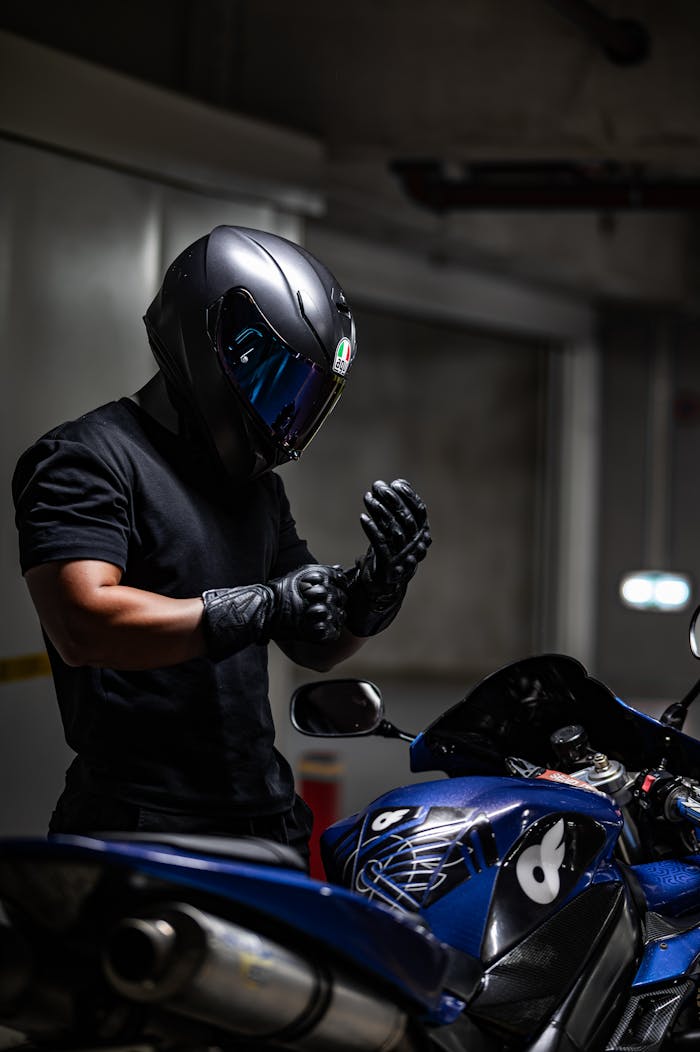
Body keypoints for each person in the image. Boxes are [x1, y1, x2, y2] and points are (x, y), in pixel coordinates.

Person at [12, 225, 431, 862]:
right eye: (277, 381)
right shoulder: (86, 458)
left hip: (264, 816)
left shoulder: (256, 489)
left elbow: (314, 642)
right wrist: (260, 606)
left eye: (304, 395)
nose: (286, 413)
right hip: (141, 825)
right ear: (219, 348)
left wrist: (376, 588)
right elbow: (83, 623)